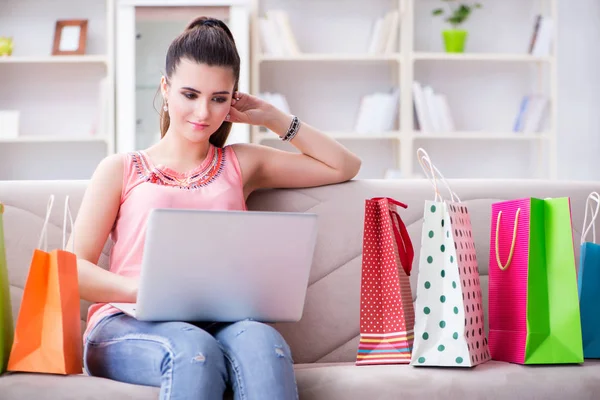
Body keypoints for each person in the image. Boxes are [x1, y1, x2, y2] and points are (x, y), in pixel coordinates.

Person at [71, 16, 361, 400]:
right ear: (166, 88)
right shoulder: (121, 168)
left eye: (218, 98)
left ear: (233, 100)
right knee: (194, 351)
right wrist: (138, 290)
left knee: (264, 344)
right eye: (190, 94)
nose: (203, 112)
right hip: (127, 325)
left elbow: (343, 165)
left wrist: (273, 117)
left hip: (222, 321)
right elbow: (70, 266)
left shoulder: (242, 164)